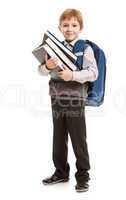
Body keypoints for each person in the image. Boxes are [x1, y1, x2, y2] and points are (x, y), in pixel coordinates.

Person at [38, 8, 98, 192]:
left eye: (74, 25)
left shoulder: (84, 49)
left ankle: (83, 176)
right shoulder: (53, 47)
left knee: (78, 138)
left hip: (75, 99)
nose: (69, 28)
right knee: (58, 137)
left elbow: (93, 73)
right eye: (65, 25)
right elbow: (40, 71)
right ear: (60, 27)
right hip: (56, 97)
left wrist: (72, 75)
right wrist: (46, 66)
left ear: (80, 28)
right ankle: (61, 172)